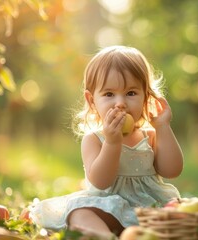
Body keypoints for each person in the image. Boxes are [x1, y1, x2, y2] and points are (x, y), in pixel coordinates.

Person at [29, 45, 184, 238]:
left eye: (131, 93)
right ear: (92, 100)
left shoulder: (150, 136)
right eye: (109, 94)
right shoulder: (94, 139)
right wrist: (112, 143)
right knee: (80, 212)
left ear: (146, 96)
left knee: (180, 212)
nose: (120, 102)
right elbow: (101, 182)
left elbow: (172, 170)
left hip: (148, 210)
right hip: (107, 208)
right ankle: (104, 236)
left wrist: (163, 127)